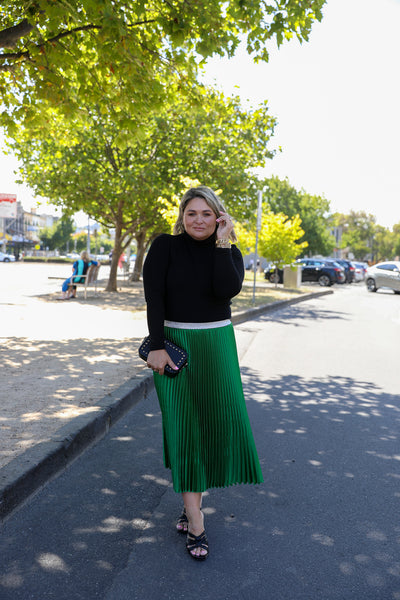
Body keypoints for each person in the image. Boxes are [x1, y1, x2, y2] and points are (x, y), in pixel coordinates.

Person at [143, 186, 263, 561]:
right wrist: (158, 345)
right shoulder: (164, 246)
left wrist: (224, 245)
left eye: (207, 214)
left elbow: (224, 291)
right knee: (184, 426)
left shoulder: (229, 253)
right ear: (182, 216)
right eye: (191, 213)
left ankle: (188, 501)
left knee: (215, 423)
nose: (198, 220)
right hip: (174, 346)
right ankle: (196, 520)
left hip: (217, 347)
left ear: (219, 218)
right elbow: (154, 297)